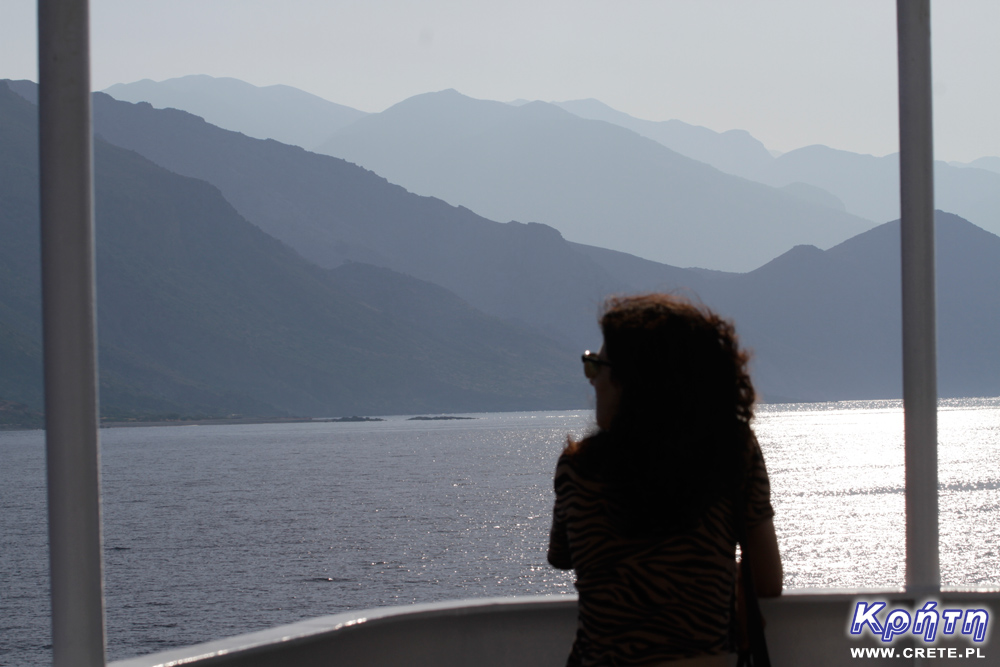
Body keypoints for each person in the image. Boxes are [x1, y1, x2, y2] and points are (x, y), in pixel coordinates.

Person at [548, 294, 782, 667]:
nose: (591, 381)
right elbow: (768, 581)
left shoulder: (578, 469)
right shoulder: (734, 451)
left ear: (628, 382)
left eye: (596, 367)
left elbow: (562, 557)